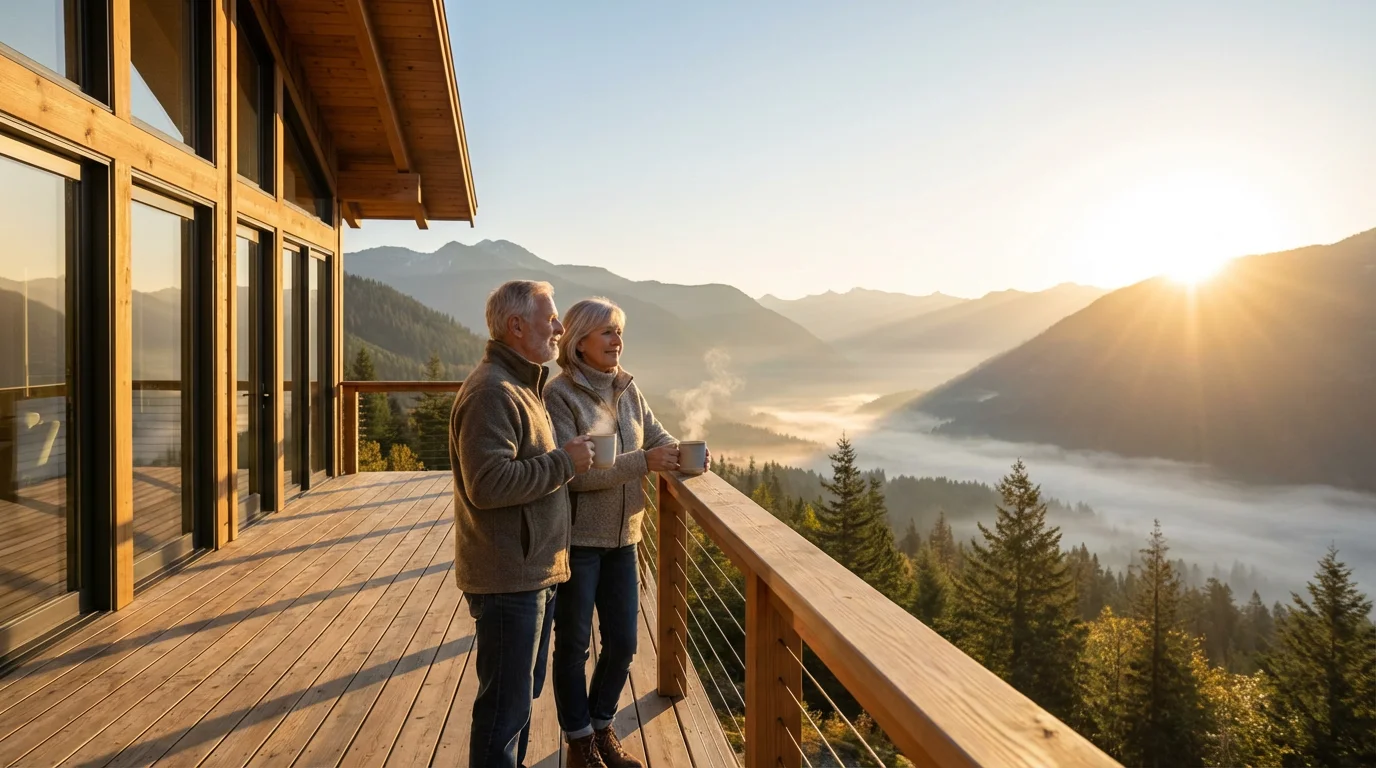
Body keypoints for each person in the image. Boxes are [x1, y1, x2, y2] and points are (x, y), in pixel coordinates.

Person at [544, 297, 708, 768]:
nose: (618, 340)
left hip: (626, 538)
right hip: (578, 542)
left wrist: (683, 456)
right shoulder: (561, 396)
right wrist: (643, 463)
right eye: (608, 332)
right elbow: (576, 472)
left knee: (623, 645)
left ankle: (601, 728)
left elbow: (656, 438)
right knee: (574, 644)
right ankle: (579, 745)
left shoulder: (627, 388)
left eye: (619, 331)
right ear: (579, 342)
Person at [450, 280, 596, 768]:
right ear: (516, 326)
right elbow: (488, 484)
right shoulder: (494, 392)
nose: (559, 328)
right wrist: (565, 463)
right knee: (503, 713)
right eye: (550, 318)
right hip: (509, 578)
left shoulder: (520, 385)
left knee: (516, 705)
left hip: (532, 571)